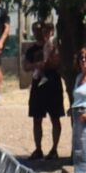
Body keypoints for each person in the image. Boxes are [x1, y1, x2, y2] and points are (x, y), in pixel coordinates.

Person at [27, 20, 65, 158]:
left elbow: (57, 63)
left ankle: (54, 149)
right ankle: (38, 149)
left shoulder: (54, 46)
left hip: (53, 84)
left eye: (42, 30)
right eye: (36, 30)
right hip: (38, 86)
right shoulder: (32, 50)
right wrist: (37, 65)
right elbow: (26, 66)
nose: (39, 33)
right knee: (37, 118)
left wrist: (47, 64)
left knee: (55, 118)